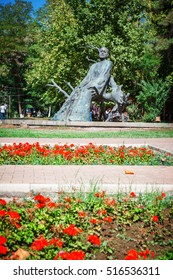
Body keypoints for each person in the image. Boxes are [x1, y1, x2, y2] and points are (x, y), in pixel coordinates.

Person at [52, 47, 113, 121]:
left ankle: (80, 116)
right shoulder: (93, 66)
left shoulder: (108, 63)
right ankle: (62, 115)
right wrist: (80, 86)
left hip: (98, 87)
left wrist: (91, 85)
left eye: (104, 52)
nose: (102, 52)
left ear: (107, 54)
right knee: (76, 91)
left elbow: (103, 77)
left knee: (86, 91)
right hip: (90, 85)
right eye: (101, 51)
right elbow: (87, 78)